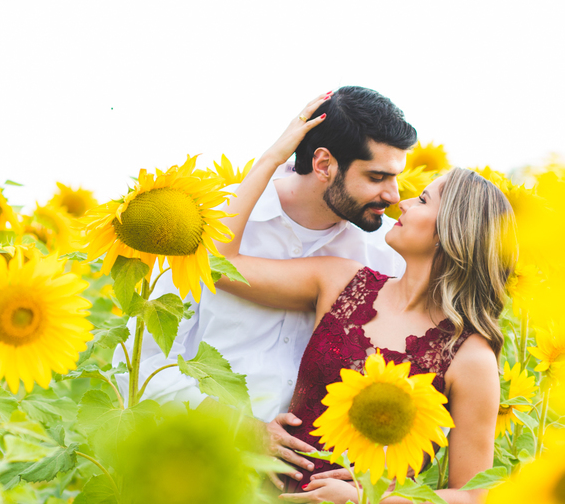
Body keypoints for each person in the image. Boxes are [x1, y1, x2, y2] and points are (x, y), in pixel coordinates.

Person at [215, 95, 512, 504]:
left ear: (452, 233)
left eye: (422, 201)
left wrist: (361, 500)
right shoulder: (341, 281)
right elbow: (221, 262)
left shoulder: (470, 357)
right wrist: (274, 157)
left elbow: (475, 500)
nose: (401, 203)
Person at [118, 86, 418, 483]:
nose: (393, 195)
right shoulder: (205, 225)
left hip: (315, 496)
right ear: (324, 163)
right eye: (376, 177)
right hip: (202, 478)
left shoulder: (383, 256)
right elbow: (139, 365)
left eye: (395, 177)